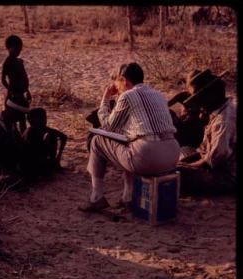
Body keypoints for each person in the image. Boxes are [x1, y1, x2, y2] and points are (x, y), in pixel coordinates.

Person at [79, 63, 180, 212]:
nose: (117, 87)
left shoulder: (127, 96)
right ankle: (128, 197)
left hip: (148, 157)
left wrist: (105, 99)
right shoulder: (158, 94)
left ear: (124, 81)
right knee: (129, 145)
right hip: (172, 155)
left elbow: (108, 125)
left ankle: (96, 197)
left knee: (97, 142)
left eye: (118, 83)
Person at [176, 69, 236, 195]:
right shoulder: (219, 111)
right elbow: (203, 151)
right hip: (217, 165)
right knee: (183, 153)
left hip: (227, 176)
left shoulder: (223, 121)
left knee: (176, 175)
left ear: (209, 96)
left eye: (198, 99)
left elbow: (212, 160)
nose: (198, 105)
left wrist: (187, 167)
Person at [21, 107, 67, 181]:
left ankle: (51, 166)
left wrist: (58, 158)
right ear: (34, 120)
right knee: (51, 137)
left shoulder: (41, 129)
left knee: (52, 136)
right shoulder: (29, 133)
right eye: (43, 118)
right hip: (31, 165)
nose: (45, 120)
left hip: (38, 161)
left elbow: (63, 137)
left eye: (45, 118)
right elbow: (30, 154)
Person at [167, 70, 209, 151]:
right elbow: (165, 106)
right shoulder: (183, 95)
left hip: (196, 131)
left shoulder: (205, 97)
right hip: (185, 127)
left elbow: (205, 119)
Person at [1, 34, 31, 133]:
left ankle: (23, 139)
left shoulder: (19, 62)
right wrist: (10, 91)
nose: (18, 52)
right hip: (13, 96)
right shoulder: (7, 62)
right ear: (9, 48)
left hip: (21, 95)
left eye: (20, 49)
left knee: (22, 119)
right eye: (16, 49)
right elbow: (3, 79)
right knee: (12, 120)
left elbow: (24, 77)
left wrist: (27, 90)